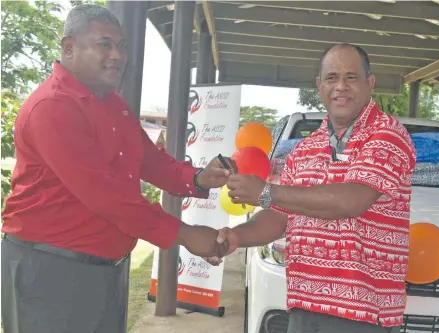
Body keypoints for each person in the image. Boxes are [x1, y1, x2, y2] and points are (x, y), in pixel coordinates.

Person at [1, 4, 231, 333]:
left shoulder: (113, 105)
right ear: (69, 47)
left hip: (103, 271)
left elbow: (151, 161)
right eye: (104, 44)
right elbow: (108, 198)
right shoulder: (53, 107)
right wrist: (187, 235)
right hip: (50, 272)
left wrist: (196, 177)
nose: (118, 55)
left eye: (121, 46)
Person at [206, 44, 417, 333]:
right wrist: (236, 236)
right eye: (331, 78)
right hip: (305, 307)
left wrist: (267, 192)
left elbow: (351, 200)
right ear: (319, 86)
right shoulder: (305, 149)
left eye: (351, 77)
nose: (340, 86)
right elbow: (281, 216)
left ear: (370, 83)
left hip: (361, 314)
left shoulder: (387, 136)